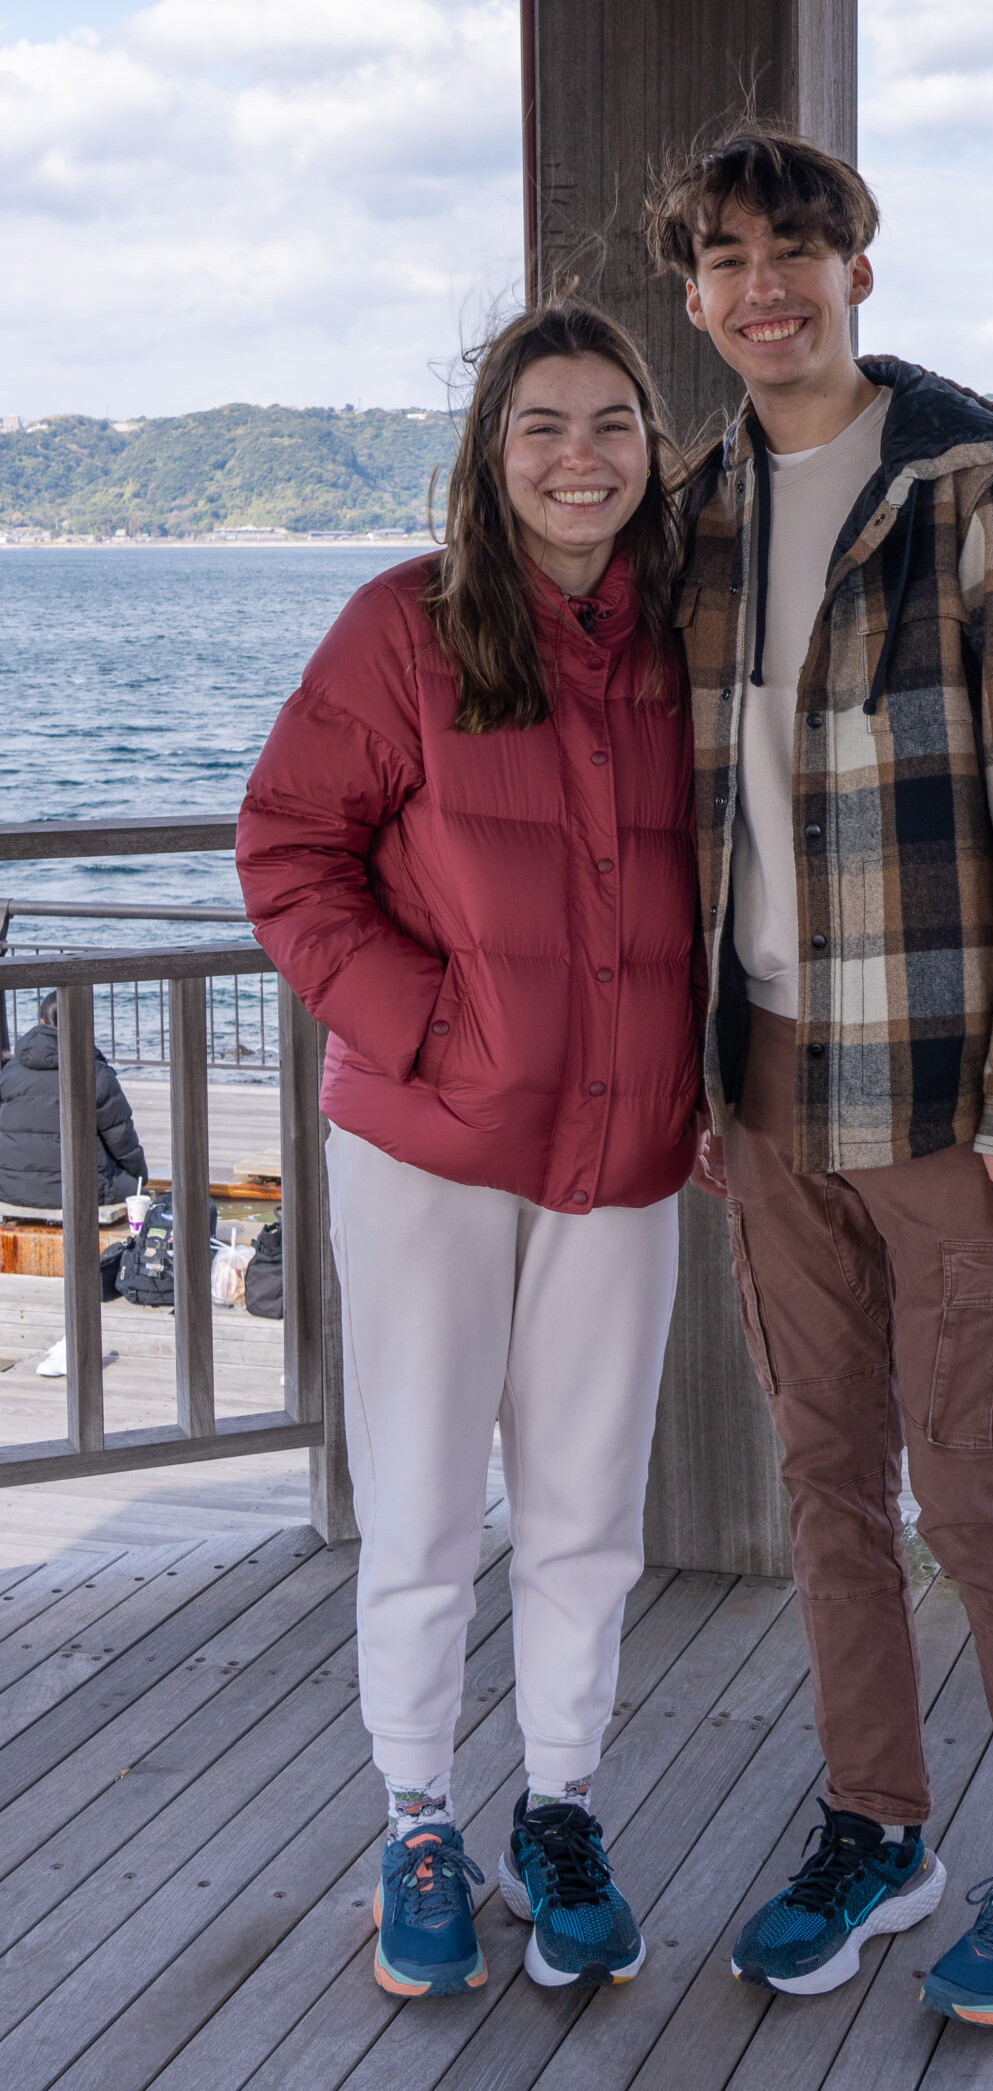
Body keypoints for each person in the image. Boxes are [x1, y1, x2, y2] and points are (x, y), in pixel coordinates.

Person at [650, 130, 993, 2030]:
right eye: (729, 260)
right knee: (827, 1477)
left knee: (976, 1487)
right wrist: (692, 1077)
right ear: (691, 299)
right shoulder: (693, 511)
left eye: (800, 251)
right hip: (761, 1087)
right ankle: (879, 1826)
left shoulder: (977, 492)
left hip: (945, 1092)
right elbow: (687, 827)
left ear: (862, 268)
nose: (768, 287)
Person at [236, 300, 702, 2003]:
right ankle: (417, 1814)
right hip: (430, 1142)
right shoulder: (402, 630)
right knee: (428, 1501)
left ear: (652, 452)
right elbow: (287, 850)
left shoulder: (688, 639)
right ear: (489, 454)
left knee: (588, 1513)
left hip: (628, 1153)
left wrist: (705, 1073)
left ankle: (560, 1808)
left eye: (610, 426)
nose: (579, 459)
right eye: (542, 428)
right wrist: (425, 1024)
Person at [0, 993, 147, 1212]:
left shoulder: (10, 1070)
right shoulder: (95, 1072)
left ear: (41, 1022)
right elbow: (122, 1140)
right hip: (82, 1190)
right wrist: (139, 1178)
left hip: (11, 1188)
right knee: (137, 1192)